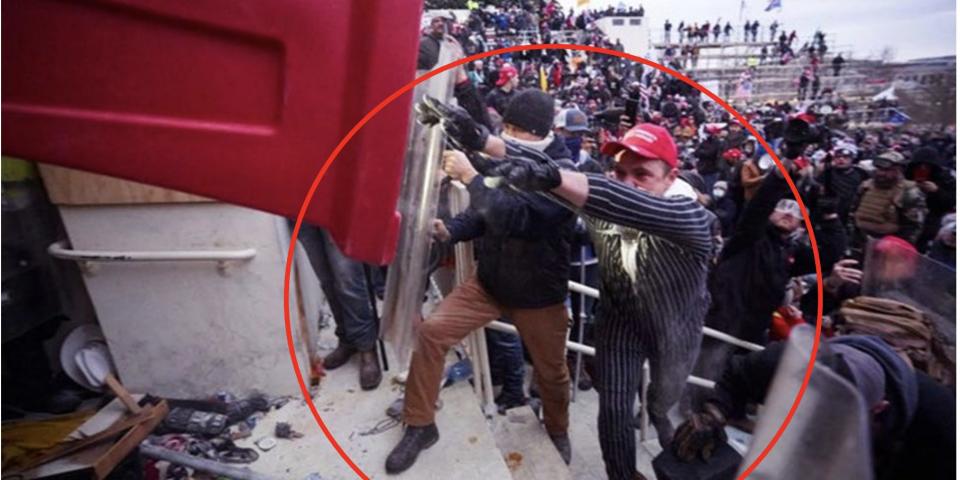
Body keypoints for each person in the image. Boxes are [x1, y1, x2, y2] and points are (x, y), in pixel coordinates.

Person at [492, 124, 715, 480]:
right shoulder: (604, 205)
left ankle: (661, 424)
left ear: (671, 177)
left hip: (676, 328)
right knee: (612, 411)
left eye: (642, 174)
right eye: (620, 173)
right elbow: (554, 180)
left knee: (662, 402)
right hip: (620, 321)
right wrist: (484, 142)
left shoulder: (690, 217)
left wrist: (555, 178)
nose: (627, 183)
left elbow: (622, 202)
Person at [386, 90, 576, 473]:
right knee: (433, 332)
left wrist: (470, 175)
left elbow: (513, 217)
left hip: (538, 293)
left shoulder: (565, 176)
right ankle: (420, 424)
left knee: (551, 373)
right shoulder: (505, 157)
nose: (505, 136)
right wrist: (451, 230)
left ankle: (557, 429)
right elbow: (483, 212)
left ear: (539, 133)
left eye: (515, 130)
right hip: (489, 281)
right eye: (504, 126)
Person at [674, 331, 956, 480]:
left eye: (837, 420)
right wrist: (713, 415)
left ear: (878, 409)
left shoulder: (942, 430)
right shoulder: (788, 362)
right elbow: (737, 377)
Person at [299, 226, 382, 390]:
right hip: (298, 209)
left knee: (348, 279)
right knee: (326, 279)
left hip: (333, 205)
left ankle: (366, 346)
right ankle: (347, 339)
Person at [852, 151, 928, 246]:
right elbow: (853, 211)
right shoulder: (866, 186)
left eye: (887, 170)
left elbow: (914, 227)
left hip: (888, 244)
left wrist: (898, 246)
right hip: (858, 239)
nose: (881, 173)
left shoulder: (909, 191)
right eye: (879, 169)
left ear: (899, 170)